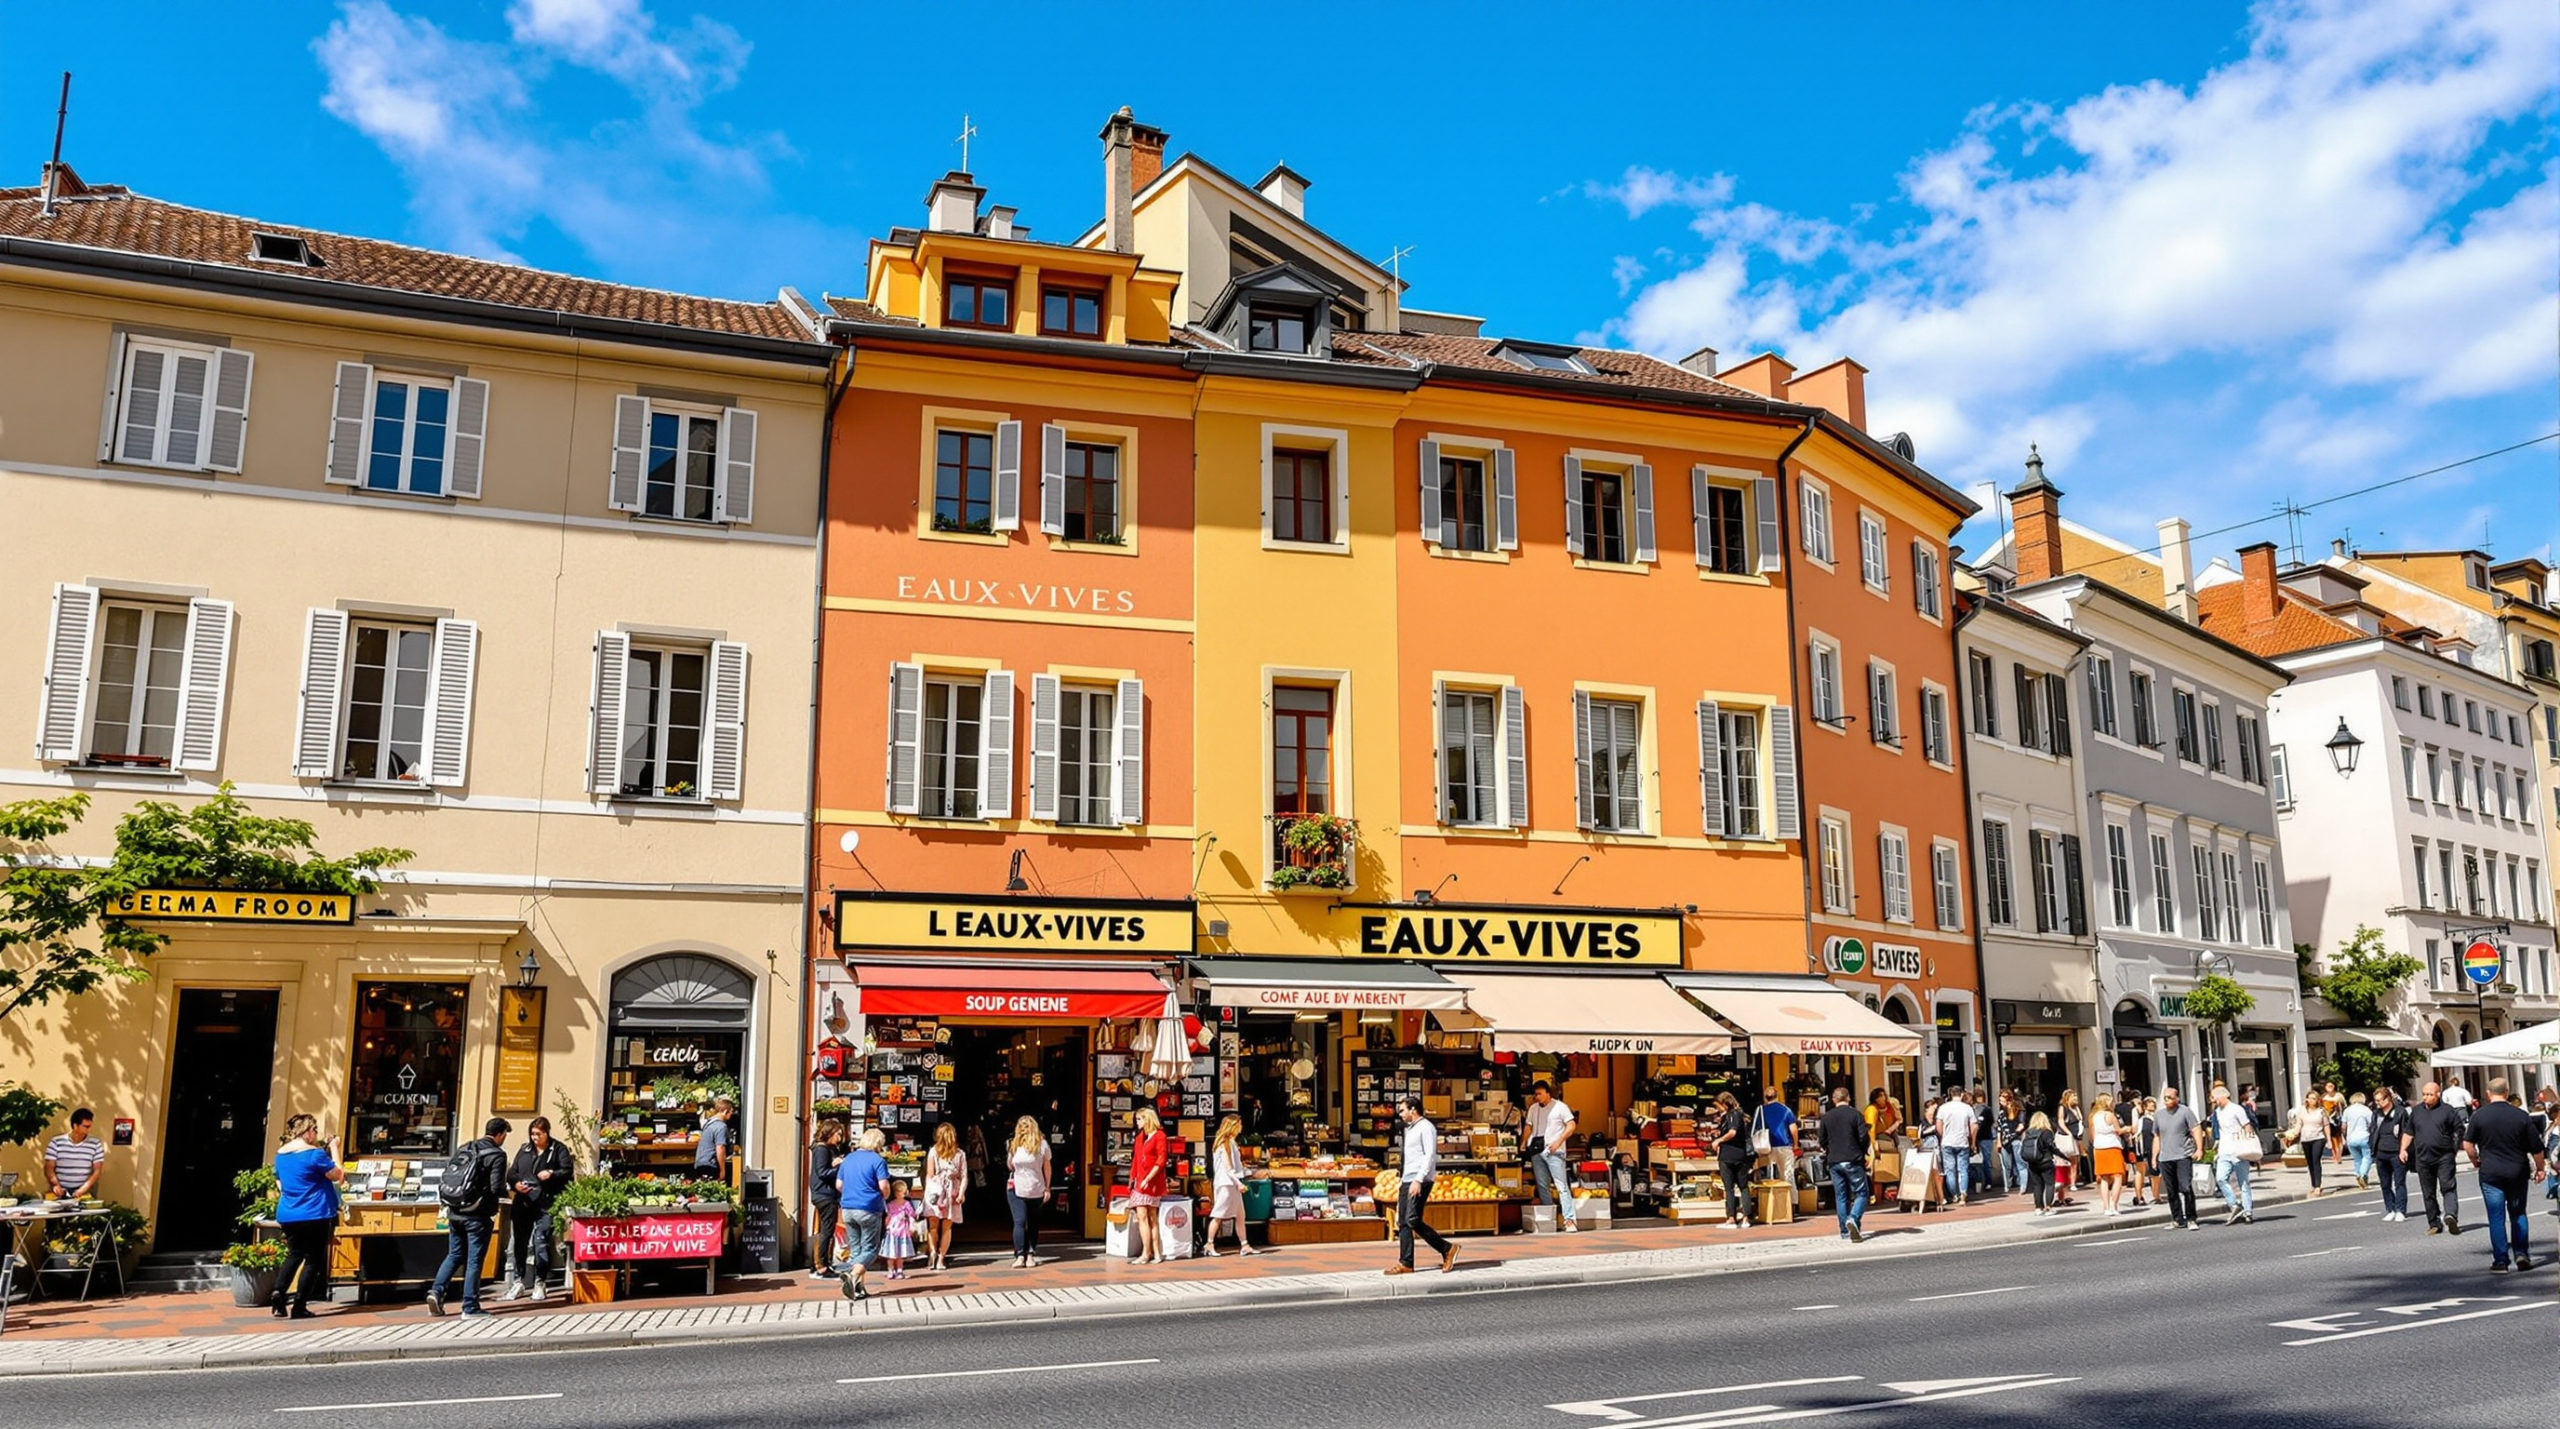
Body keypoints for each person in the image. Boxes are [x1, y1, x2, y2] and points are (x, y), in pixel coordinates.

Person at [2461, 1077, 2547, 1273]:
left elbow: (2467, 1144)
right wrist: (2540, 1168)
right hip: (2517, 1171)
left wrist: (2475, 1160)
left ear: (2488, 1093)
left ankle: (2501, 1260)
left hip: (2490, 1172)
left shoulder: (2479, 1116)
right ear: (2507, 1092)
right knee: (2518, 1214)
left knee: (2496, 1217)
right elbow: (2537, 1148)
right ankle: (2522, 1254)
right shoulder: (2521, 1116)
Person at [427, 1118, 510, 1317]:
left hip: (455, 1211)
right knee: (474, 1261)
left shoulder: (466, 1147)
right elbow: (496, 1187)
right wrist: (511, 1193)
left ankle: (437, 1292)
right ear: (499, 1134)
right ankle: (470, 1307)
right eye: (505, 1135)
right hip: (478, 1215)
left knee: (454, 1254)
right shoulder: (497, 1154)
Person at [269, 1114, 343, 1318]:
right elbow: (338, 1176)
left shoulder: (281, 1155)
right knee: (313, 1260)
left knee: (294, 1254)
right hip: (315, 1212)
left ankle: (278, 1291)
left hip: (288, 1213)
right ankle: (299, 1305)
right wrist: (335, 1148)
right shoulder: (315, 1154)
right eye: (315, 1130)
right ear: (308, 1132)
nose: (316, 1134)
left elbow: (280, 1183)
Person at [502, 1116, 572, 1301]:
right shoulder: (524, 1150)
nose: (535, 1138)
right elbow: (512, 1173)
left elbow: (567, 1171)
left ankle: (540, 1282)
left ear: (547, 1133)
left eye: (538, 1134)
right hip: (523, 1202)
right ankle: (519, 1281)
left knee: (541, 1241)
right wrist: (516, 1185)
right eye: (532, 1134)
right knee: (520, 1242)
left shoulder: (558, 1150)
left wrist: (551, 1173)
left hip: (546, 1202)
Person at [1385, 1095, 1456, 1275]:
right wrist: (1402, 1180)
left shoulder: (1426, 1127)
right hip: (1407, 1178)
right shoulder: (1410, 1129)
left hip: (1420, 1179)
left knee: (1412, 1219)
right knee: (1403, 1221)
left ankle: (1447, 1248)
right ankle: (1406, 1263)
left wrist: (1419, 1179)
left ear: (1413, 1110)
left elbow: (1429, 1155)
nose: (1400, 1114)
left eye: (1402, 1110)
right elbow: (1409, 1157)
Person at [835, 1128, 891, 1300]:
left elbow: (838, 1185)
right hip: (869, 1208)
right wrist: (885, 1197)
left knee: (857, 1250)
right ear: (878, 1143)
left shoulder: (848, 1159)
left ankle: (859, 1288)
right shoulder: (877, 1160)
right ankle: (851, 1275)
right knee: (871, 1250)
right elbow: (884, 1187)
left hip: (848, 1209)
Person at [2410, 1081, 2467, 1235]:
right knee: (2428, 1192)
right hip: (2423, 1158)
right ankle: (2434, 1223)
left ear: (2438, 1095)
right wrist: (2403, 1149)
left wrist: (2454, 1148)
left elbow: (2459, 1129)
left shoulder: (2447, 1110)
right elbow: (2409, 1132)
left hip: (2444, 1156)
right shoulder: (2416, 1111)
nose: (2426, 1097)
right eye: (2424, 1094)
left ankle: (2450, 1215)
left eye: (2429, 1094)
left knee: (2447, 1186)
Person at [1818, 1087, 1871, 1242]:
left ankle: (1845, 1232)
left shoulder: (1826, 1117)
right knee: (1862, 1193)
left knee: (1841, 1197)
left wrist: (1829, 1149)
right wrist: (1862, 1152)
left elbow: (1822, 1140)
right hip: (1852, 1158)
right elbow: (1863, 1137)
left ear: (1834, 1100)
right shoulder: (1855, 1114)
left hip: (1834, 1160)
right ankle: (1853, 1218)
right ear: (1848, 1098)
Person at [1526, 1080, 1580, 1232]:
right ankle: (1550, 1218)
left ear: (1548, 1093)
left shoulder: (1560, 1107)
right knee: (1542, 1185)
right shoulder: (1533, 1109)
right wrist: (1524, 1142)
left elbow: (1571, 1125)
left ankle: (1570, 1220)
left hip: (1554, 1150)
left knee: (1561, 1185)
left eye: (1539, 1094)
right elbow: (1528, 1126)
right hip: (1537, 1150)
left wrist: (1559, 1141)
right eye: (1535, 1094)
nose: (1537, 1097)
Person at [1205, 1115, 1261, 1256]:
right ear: (1233, 1126)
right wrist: (1239, 1183)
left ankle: (1244, 1244)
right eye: (1239, 1124)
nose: (1241, 1127)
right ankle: (1209, 1243)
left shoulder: (1231, 1143)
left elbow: (1235, 1167)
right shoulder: (1225, 1144)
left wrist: (1250, 1173)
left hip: (1231, 1183)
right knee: (1219, 1214)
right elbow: (1228, 1167)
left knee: (1240, 1215)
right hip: (1227, 1184)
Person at [1005, 1116, 1052, 1269]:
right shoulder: (1014, 1144)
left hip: (1036, 1188)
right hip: (1016, 1188)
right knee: (1019, 1221)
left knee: (1033, 1222)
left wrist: (1047, 1187)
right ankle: (1019, 1255)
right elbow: (1010, 1166)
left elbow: (1047, 1167)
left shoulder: (1042, 1145)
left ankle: (1030, 1253)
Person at [2151, 1087, 2201, 1230]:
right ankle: (2178, 1219)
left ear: (2177, 1098)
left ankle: (2191, 1218)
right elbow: (2157, 1137)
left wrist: (2199, 1149)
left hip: (2183, 1155)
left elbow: (2196, 1129)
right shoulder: (2159, 1115)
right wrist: (2155, 1156)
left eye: (2170, 1097)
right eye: (2165, 1098)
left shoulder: (2185, 1111)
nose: (2167, 1100)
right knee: (2171, 1190)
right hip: (2165, 1157)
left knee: (2185, 1187)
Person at [920, 1122, 966, 1273]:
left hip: (935, 1192)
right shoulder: (960, 1154)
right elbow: (964, 1176)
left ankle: (932, 1253)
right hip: (952, 1192)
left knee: (933, 1226)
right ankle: (941, 1259)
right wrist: (961, 1193)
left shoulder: (933, 1151)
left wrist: (929, 1192)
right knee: (947, 1227)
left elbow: (930, 1173)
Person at [1126, 1107, 1169, 1265]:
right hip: (1140, 1181)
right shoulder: (1139, 1138)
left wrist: (1148, 1178)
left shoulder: (1160, 1136)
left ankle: (1153, 1252)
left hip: (1152, 1182)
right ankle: (1148, 1252)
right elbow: (1136, 1160)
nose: (1137, 1122)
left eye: (1139, 1119)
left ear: (1147, 1119)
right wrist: (1132, 1179)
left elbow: (1161, 1160)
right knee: (1143, 1216)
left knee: (1151, 1217)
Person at [2209, 1087, 2257, 1224]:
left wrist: (2249, 1145)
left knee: (2243, 1183)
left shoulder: (2237, 1109)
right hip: (2224, 1151)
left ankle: (2248, 1212)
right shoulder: (2217, 1112)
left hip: (2239, 1151)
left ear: (2222, 1097)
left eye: (2214, 1097)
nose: (2213, 1100)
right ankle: (2235, 1205)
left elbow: (2247, 1126)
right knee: (2221, 1178)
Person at [806, 1119, 847, 1280]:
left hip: (823, 1194)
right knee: (827, 1231)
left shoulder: (825, 1148)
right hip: (825, 1194)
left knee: (823, 1230)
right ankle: (821, 1267)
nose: (840, 1137)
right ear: (829, 1133)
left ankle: (817, 1263)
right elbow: (823, 1172)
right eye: (838, 1134)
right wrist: (838, 1166)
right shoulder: (822, 1149)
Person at [1708, 1092, 1754, 1228]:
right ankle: (1746, 1218)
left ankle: (1731, 1218)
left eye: (1719, 1106)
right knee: (1743, 1186)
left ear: (1725, 1103)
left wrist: (1718, 1140)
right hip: (1741, 1155)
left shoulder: (1733, 1114)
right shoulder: (1737, 1115)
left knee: (1730, 1188)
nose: (1718, 1109)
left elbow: (1732, 1132)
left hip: (1728, 1156)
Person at [44, 1108, 108, 1199]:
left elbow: (97, 1171)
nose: (88, 1130)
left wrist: (83, 1189)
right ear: (75, 1125)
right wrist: (55, 1185)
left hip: (84, 1191)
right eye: (85, 1126)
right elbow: (49, 1168)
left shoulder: (95, 1144)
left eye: (89, 1126)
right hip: (59, 1191)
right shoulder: (56, 1142)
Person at [2370, 1086, 2412, 1222]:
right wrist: (2373, 1150)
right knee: (2385, 1183)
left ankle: (2401, 1210)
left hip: (2396, 1152)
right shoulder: (2376, 1113)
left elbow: (2407, 1131)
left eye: (2380, 1100)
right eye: (2376, 1101)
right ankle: (2390, 1208)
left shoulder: (2400, 1112)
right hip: (2380, 1153)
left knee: (2399, 1183)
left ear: (2388, 1098)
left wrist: (2403, 1150)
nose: (2378, 1103)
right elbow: (2373, 1130)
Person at [1934, 1088, 1978, 1205]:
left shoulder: (1943, 1108)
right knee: (1963, 1169)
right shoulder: (1967, 1108)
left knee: (1950, 1171)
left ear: (1950, 1095)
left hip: (1947, 1142)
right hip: (1963, 1142)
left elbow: (1938, 1126)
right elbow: (1974, 1126)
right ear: (1962, 1094)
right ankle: (1963, 1194)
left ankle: (1955, 1195)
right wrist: (1973, 1142)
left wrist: (1943, 1136)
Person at [1755, 1086, 1800, 1198]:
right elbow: (1793, 1129)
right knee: (1787, 1174)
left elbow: (1757, 1130)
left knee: (1768, 1176)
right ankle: (1791, 1202)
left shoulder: (1761, 1111)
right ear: (1777, 1096)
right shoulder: (1786, 1110)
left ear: (1765, 1098)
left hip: (1766, 1147)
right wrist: (1795, 1144)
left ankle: (1771, 1200)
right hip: (1784, 1146)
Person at [2286, 1091, 2330, 1197]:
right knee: (2310, 1162)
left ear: (2318, 1100)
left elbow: (2326, 1126)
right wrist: (2293, 1134)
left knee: (2316, 1161)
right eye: (2309, 1098)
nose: (2311, 1101)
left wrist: (2329, 1140)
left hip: (2318, 1138)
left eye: (2314, 1098)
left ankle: (2318, 1186)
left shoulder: (2321, 1111)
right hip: (2306, 1139)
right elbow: (2299, 1124)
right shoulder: (2302, 1110)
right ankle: (2313, 1184)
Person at [2090, 1094, 2126, 1216]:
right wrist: (2127, 1129)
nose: (2113, 1103)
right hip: (2112, 1146)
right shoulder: (2109, 1115)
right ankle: (2114, 1205)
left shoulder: (2094, 1116)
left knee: (2104, 1178)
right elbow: (2118, 1130)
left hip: (2099, 1147)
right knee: (2117, 1177)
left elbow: (2093, 1135)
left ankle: (2105, 1207)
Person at [2019, 1112, 2059, 1213]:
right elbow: (2051, 1147)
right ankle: (2048, 1207)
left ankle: (2038, 1207)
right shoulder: (2046, 1132)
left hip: (2032, 1162)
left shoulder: (2027, 1132)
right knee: (2049, 1184)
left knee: (2037, 1185)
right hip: (2045, 1161)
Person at [693, 1095, 736, 1181]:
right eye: (731, 1111)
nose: (732, 1114)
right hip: (710, 1165)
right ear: (726, 1111)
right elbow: (720, 1148)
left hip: (700, 1163)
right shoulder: (721, 1126)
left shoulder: (709, 1123)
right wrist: (722, 1170)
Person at [881, 1181, 918, 1281]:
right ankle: (894, 1270)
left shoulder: (895, 1204)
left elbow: (911, 1215)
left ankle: (896, 1270)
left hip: (897, 1230)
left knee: (895, 1252)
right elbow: (912, 1215)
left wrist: (886, 1225)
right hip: (897, 1230)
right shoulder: (904, 1204)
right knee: (896, 1252)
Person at [2054, 1090, 2085, 1206]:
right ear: (2067, 1097)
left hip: (2076, 1137)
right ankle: (2062, 1187)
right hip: (2065, 1137)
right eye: (2074, 1096)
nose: (2076, 1098)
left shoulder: (2076, 1108)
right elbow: (2060, 1121)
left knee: (2074, 1161)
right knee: (2063, 1162)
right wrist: (2068, 1133)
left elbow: (2080, 1121)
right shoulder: (2063, 1107)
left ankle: (2072, 1183)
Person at [2341, 1091, 2376, 1189]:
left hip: (2351, 1138)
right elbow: (2372, 1125)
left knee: (2357, 1159)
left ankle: (2358, 1175)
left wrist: (2345, 1136)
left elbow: (2343, 1126)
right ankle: (2363, 1175)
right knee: (2367, 1157)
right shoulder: (2366, 1110)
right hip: (2364, 1137)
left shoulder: (2347, 1110)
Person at [1995, 1090, 2026, 1196]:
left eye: (2002, 1100)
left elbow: (2022, 1124)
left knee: (2020, 1164)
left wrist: (2014, 1133)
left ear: (2008, 1100)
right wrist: (1999, 1141)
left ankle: (2023, 1186)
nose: (2000, 1102)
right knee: (2007, 1164)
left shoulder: (2019, 1110)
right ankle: (2008, 1185)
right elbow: (1999, 1127)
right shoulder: (2001, 1112)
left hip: (2016, 1140)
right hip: (2005, 1141)